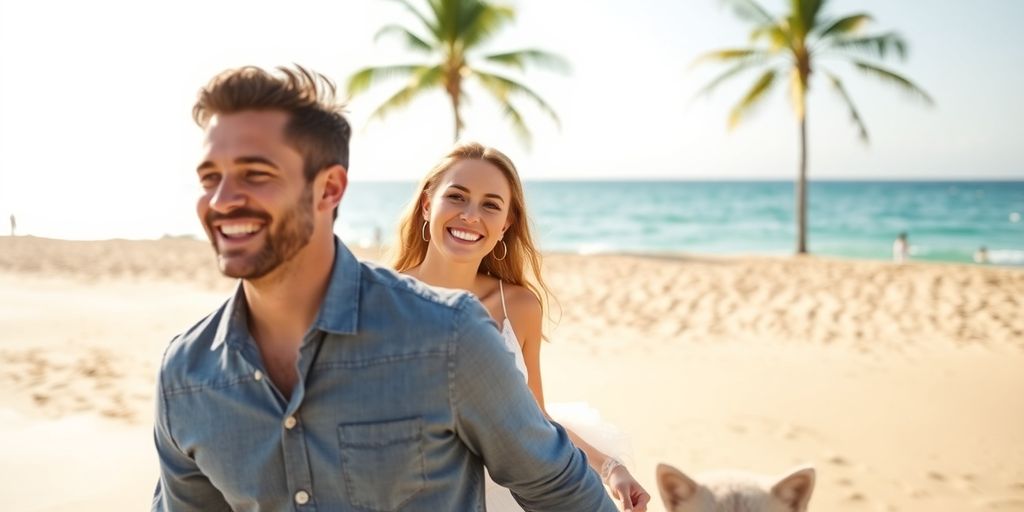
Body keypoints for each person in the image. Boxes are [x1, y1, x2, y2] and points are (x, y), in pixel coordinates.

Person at [152, 66, 615, 511]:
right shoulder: (185, 378)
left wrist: (609, 467)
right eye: (209, 177)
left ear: (329, 188)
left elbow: (558, 487)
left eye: (256, 174)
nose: (222, 199)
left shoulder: (450, 335)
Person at [393, 142, 652, 511]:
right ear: (426, 205)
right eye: (456, 197)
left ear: (505, 225)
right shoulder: (380, 299)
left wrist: (610, 468)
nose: (470, 215)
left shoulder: (519, 305)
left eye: (490, 205)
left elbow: (534, 418)